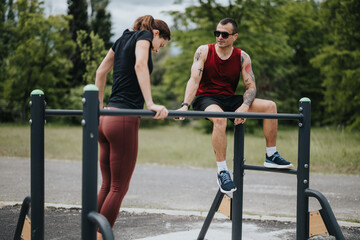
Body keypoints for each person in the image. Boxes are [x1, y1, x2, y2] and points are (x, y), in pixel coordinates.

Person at [178, 18, 293, 194]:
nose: (220, 37)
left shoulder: (242, 57)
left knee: (270, 106)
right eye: (217, 33)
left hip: (229, 99)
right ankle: (222, 171)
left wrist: (245, 106)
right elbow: (194, 79)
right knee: (221, 119)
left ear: (234, 36)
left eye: (224, 34)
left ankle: (271, 155)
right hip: (206, 99)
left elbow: (251, 86)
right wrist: (185, 105)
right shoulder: (203, 51)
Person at [94, 15, 170, 239]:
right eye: (161, 45)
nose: (157, 51)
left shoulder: (121, 38)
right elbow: (139, 64)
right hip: (124, 119)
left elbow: (100, 72)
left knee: (107, 185)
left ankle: (89, 233)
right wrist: (150, 103)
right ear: (156, 34)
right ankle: (100, 236)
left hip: (106, 117)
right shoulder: (145, 36)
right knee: (118, 188)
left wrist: (98, 109)